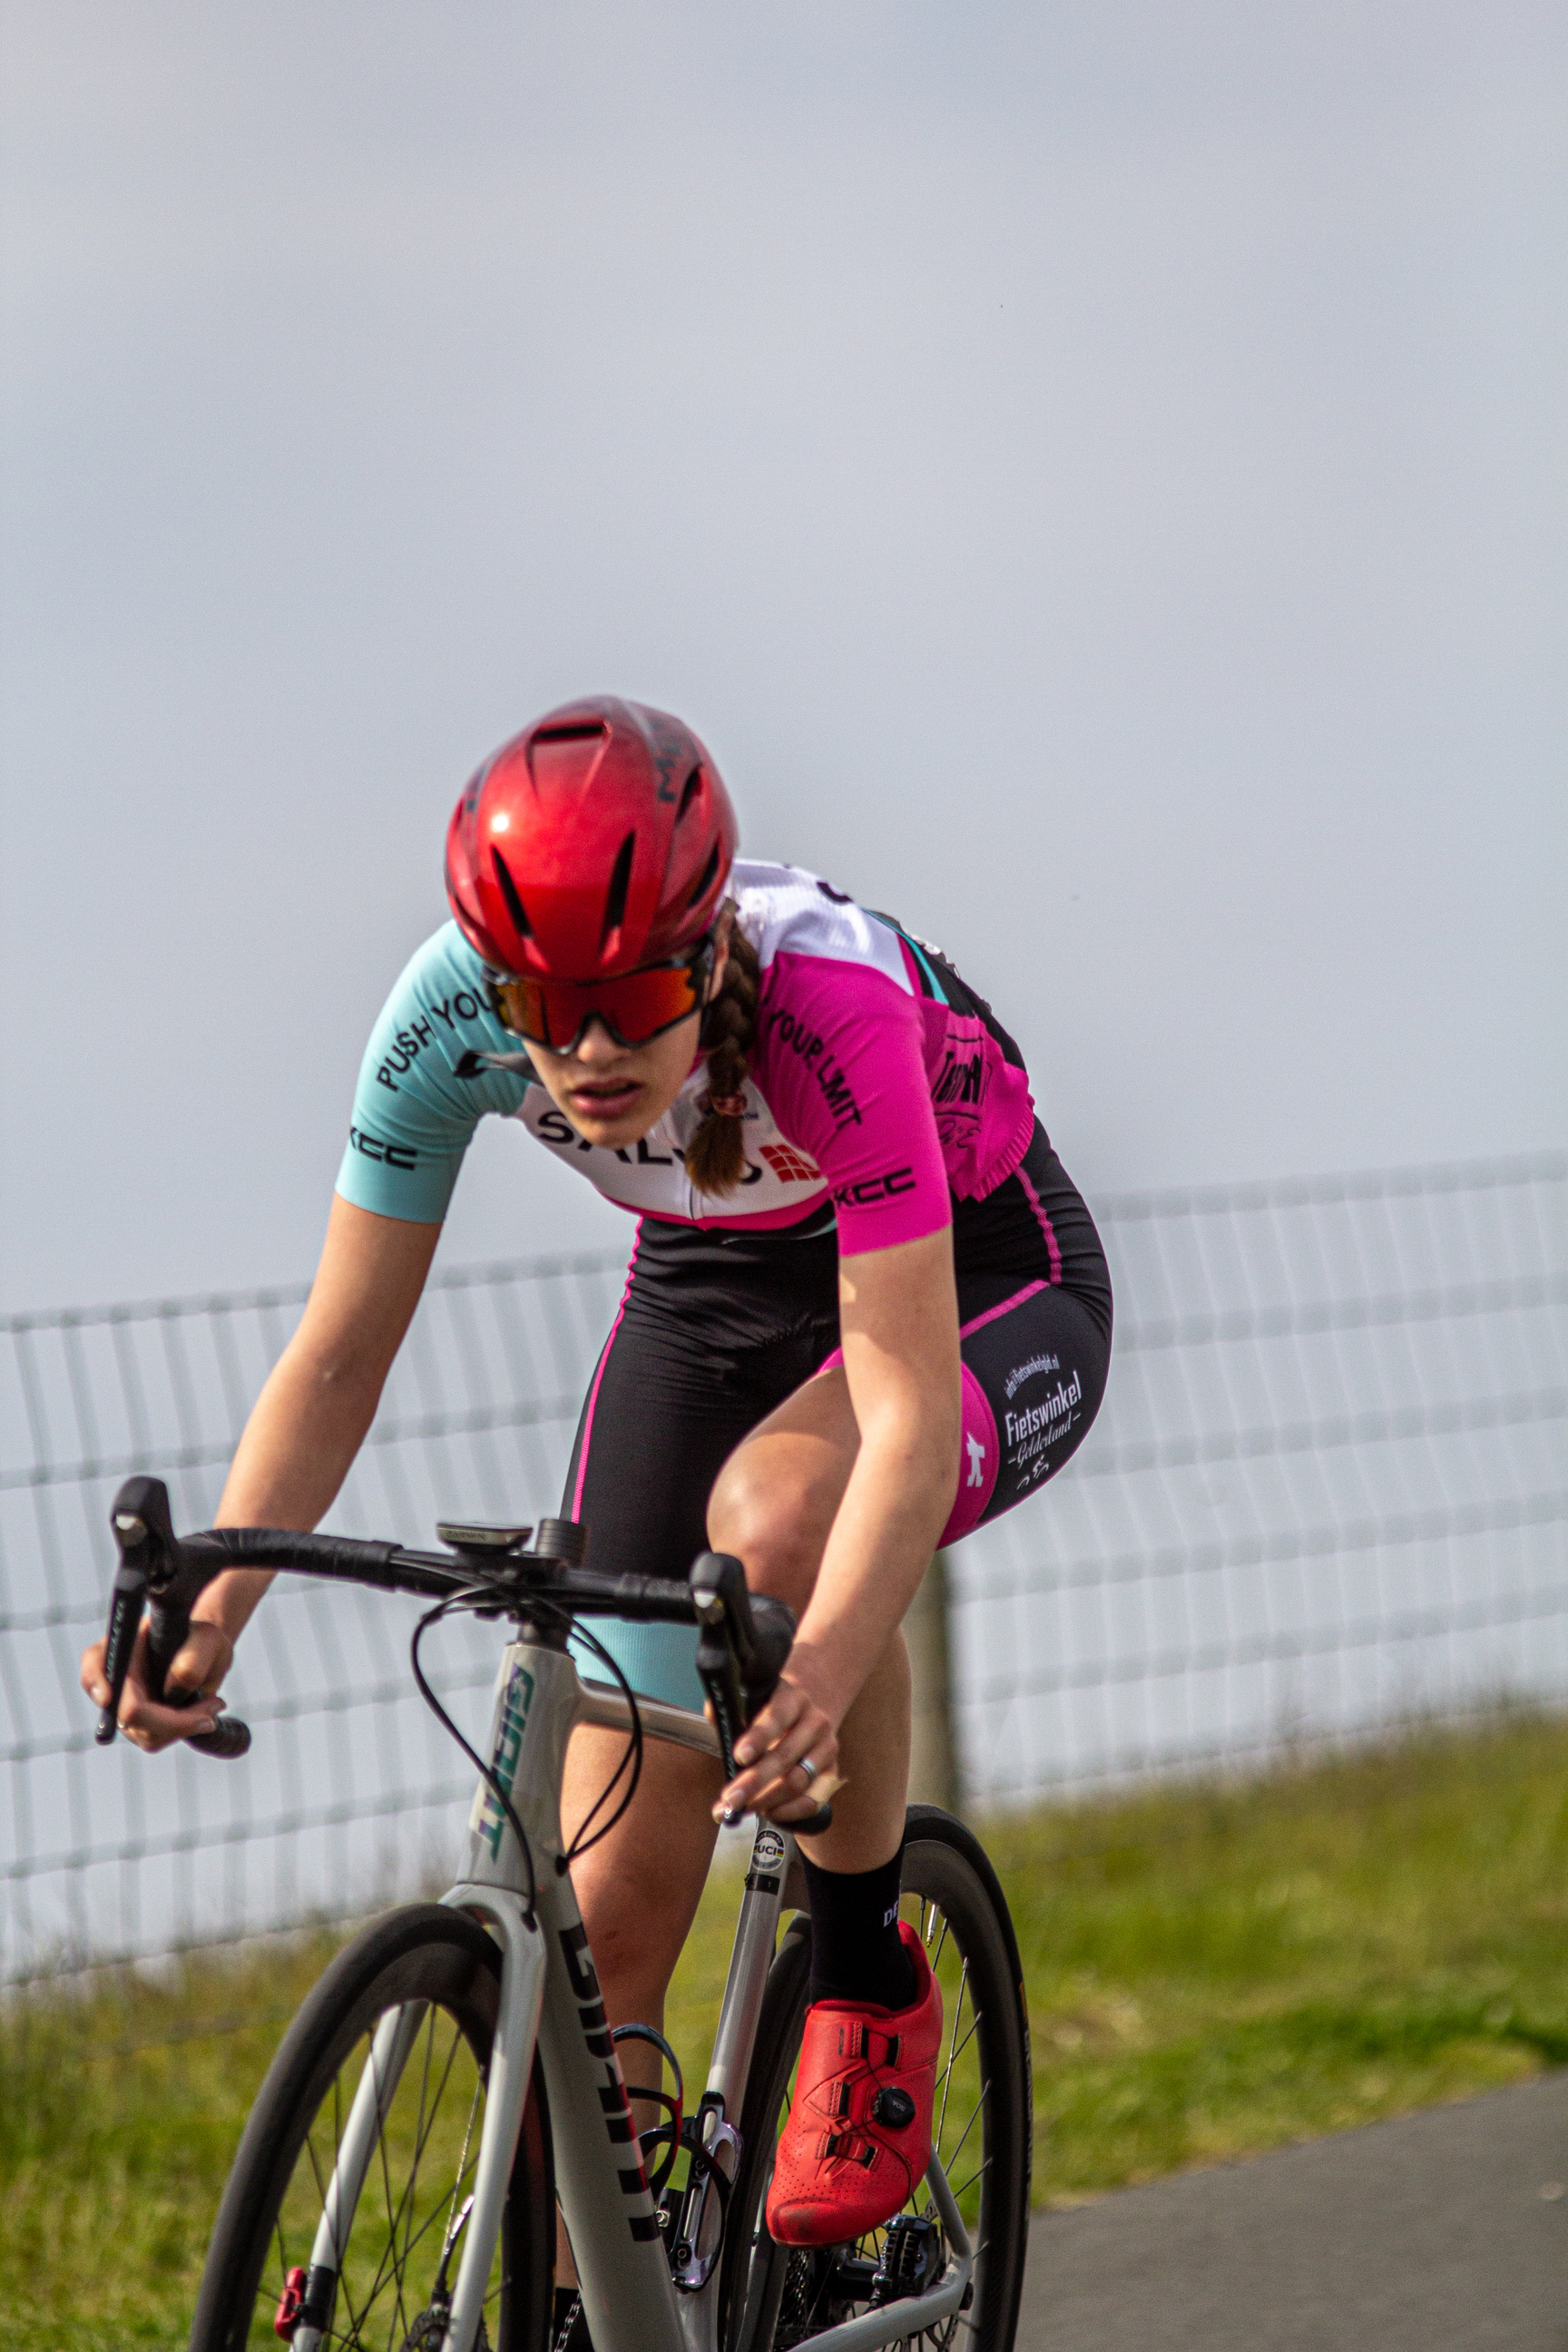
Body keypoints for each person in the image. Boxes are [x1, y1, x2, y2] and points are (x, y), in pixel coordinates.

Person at [82, 694, 1112, 2270]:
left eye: (631, 997)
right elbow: (340, 1353)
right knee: (606, 1921)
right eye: (541, 1007)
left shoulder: (829, 1011)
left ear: (705, 957)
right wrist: (215, 1608)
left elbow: (899, 1412)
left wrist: (821, 1672)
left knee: (782, 1521)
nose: (583, 1050)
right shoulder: (447, 1021)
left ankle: (864, 1976)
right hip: (707, 1288)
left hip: (970, 1272)